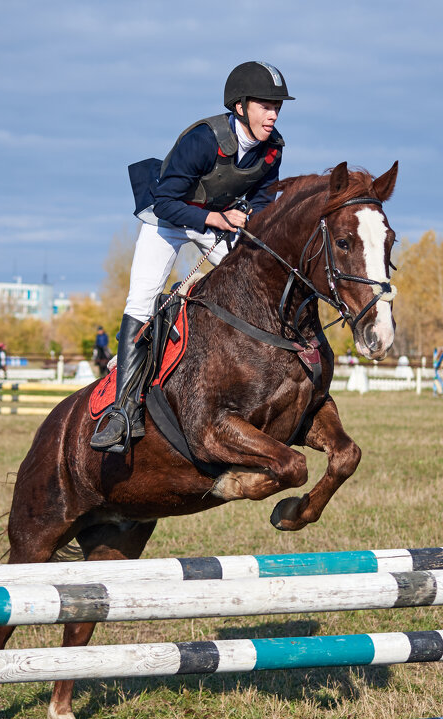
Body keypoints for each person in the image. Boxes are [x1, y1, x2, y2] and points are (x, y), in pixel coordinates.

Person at [91, 61, 295, 453]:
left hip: (216, 223)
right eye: (265, 106)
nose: (273, 114)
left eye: (277, 107)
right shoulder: (203, 140)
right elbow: (167, 203)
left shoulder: (273, 150)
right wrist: (214, 216)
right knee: (142, 299)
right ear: (240, 106)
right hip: (168, 218)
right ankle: (123, 411)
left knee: (250, 288)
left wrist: (246, 215)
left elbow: (264, 197)